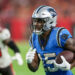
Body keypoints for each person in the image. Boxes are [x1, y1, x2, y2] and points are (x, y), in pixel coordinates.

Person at [26, 5, 75, 75]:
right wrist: (29, 61)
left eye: (40, 21)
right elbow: (34, 68)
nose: (36, 24)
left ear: (50, 21)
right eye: (35, 20)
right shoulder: (33, 38)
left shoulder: (59, 35)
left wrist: (70, 66)